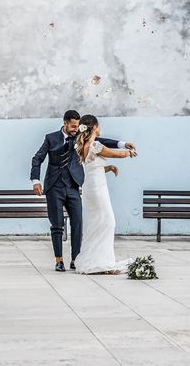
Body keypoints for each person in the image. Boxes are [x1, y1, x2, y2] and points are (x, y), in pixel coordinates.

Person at [30, 110, 135, 272]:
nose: (75, 129)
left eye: (78, 126)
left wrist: (122, 143)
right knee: (57, 225)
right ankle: (59, 260)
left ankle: (75, 259)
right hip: (54, 187)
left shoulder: (79, 138)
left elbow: (98, 140)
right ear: (64, 123)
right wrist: (35, 180)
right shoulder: (51, 138)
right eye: (72, 126)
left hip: (73, 186)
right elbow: (37, 158)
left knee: (78, 223)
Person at [74, 114, 136, 275]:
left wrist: (108, 168)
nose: (100, 128)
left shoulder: (82, 145)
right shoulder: (95, 145)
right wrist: (129, 152)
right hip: (97, 189)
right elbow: (118, 154)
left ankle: (99, 261)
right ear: (94, 127)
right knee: (108, 222)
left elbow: (92, 167)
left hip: (90, 187)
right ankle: (104, 263)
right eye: (99, 125)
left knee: (96, 223)